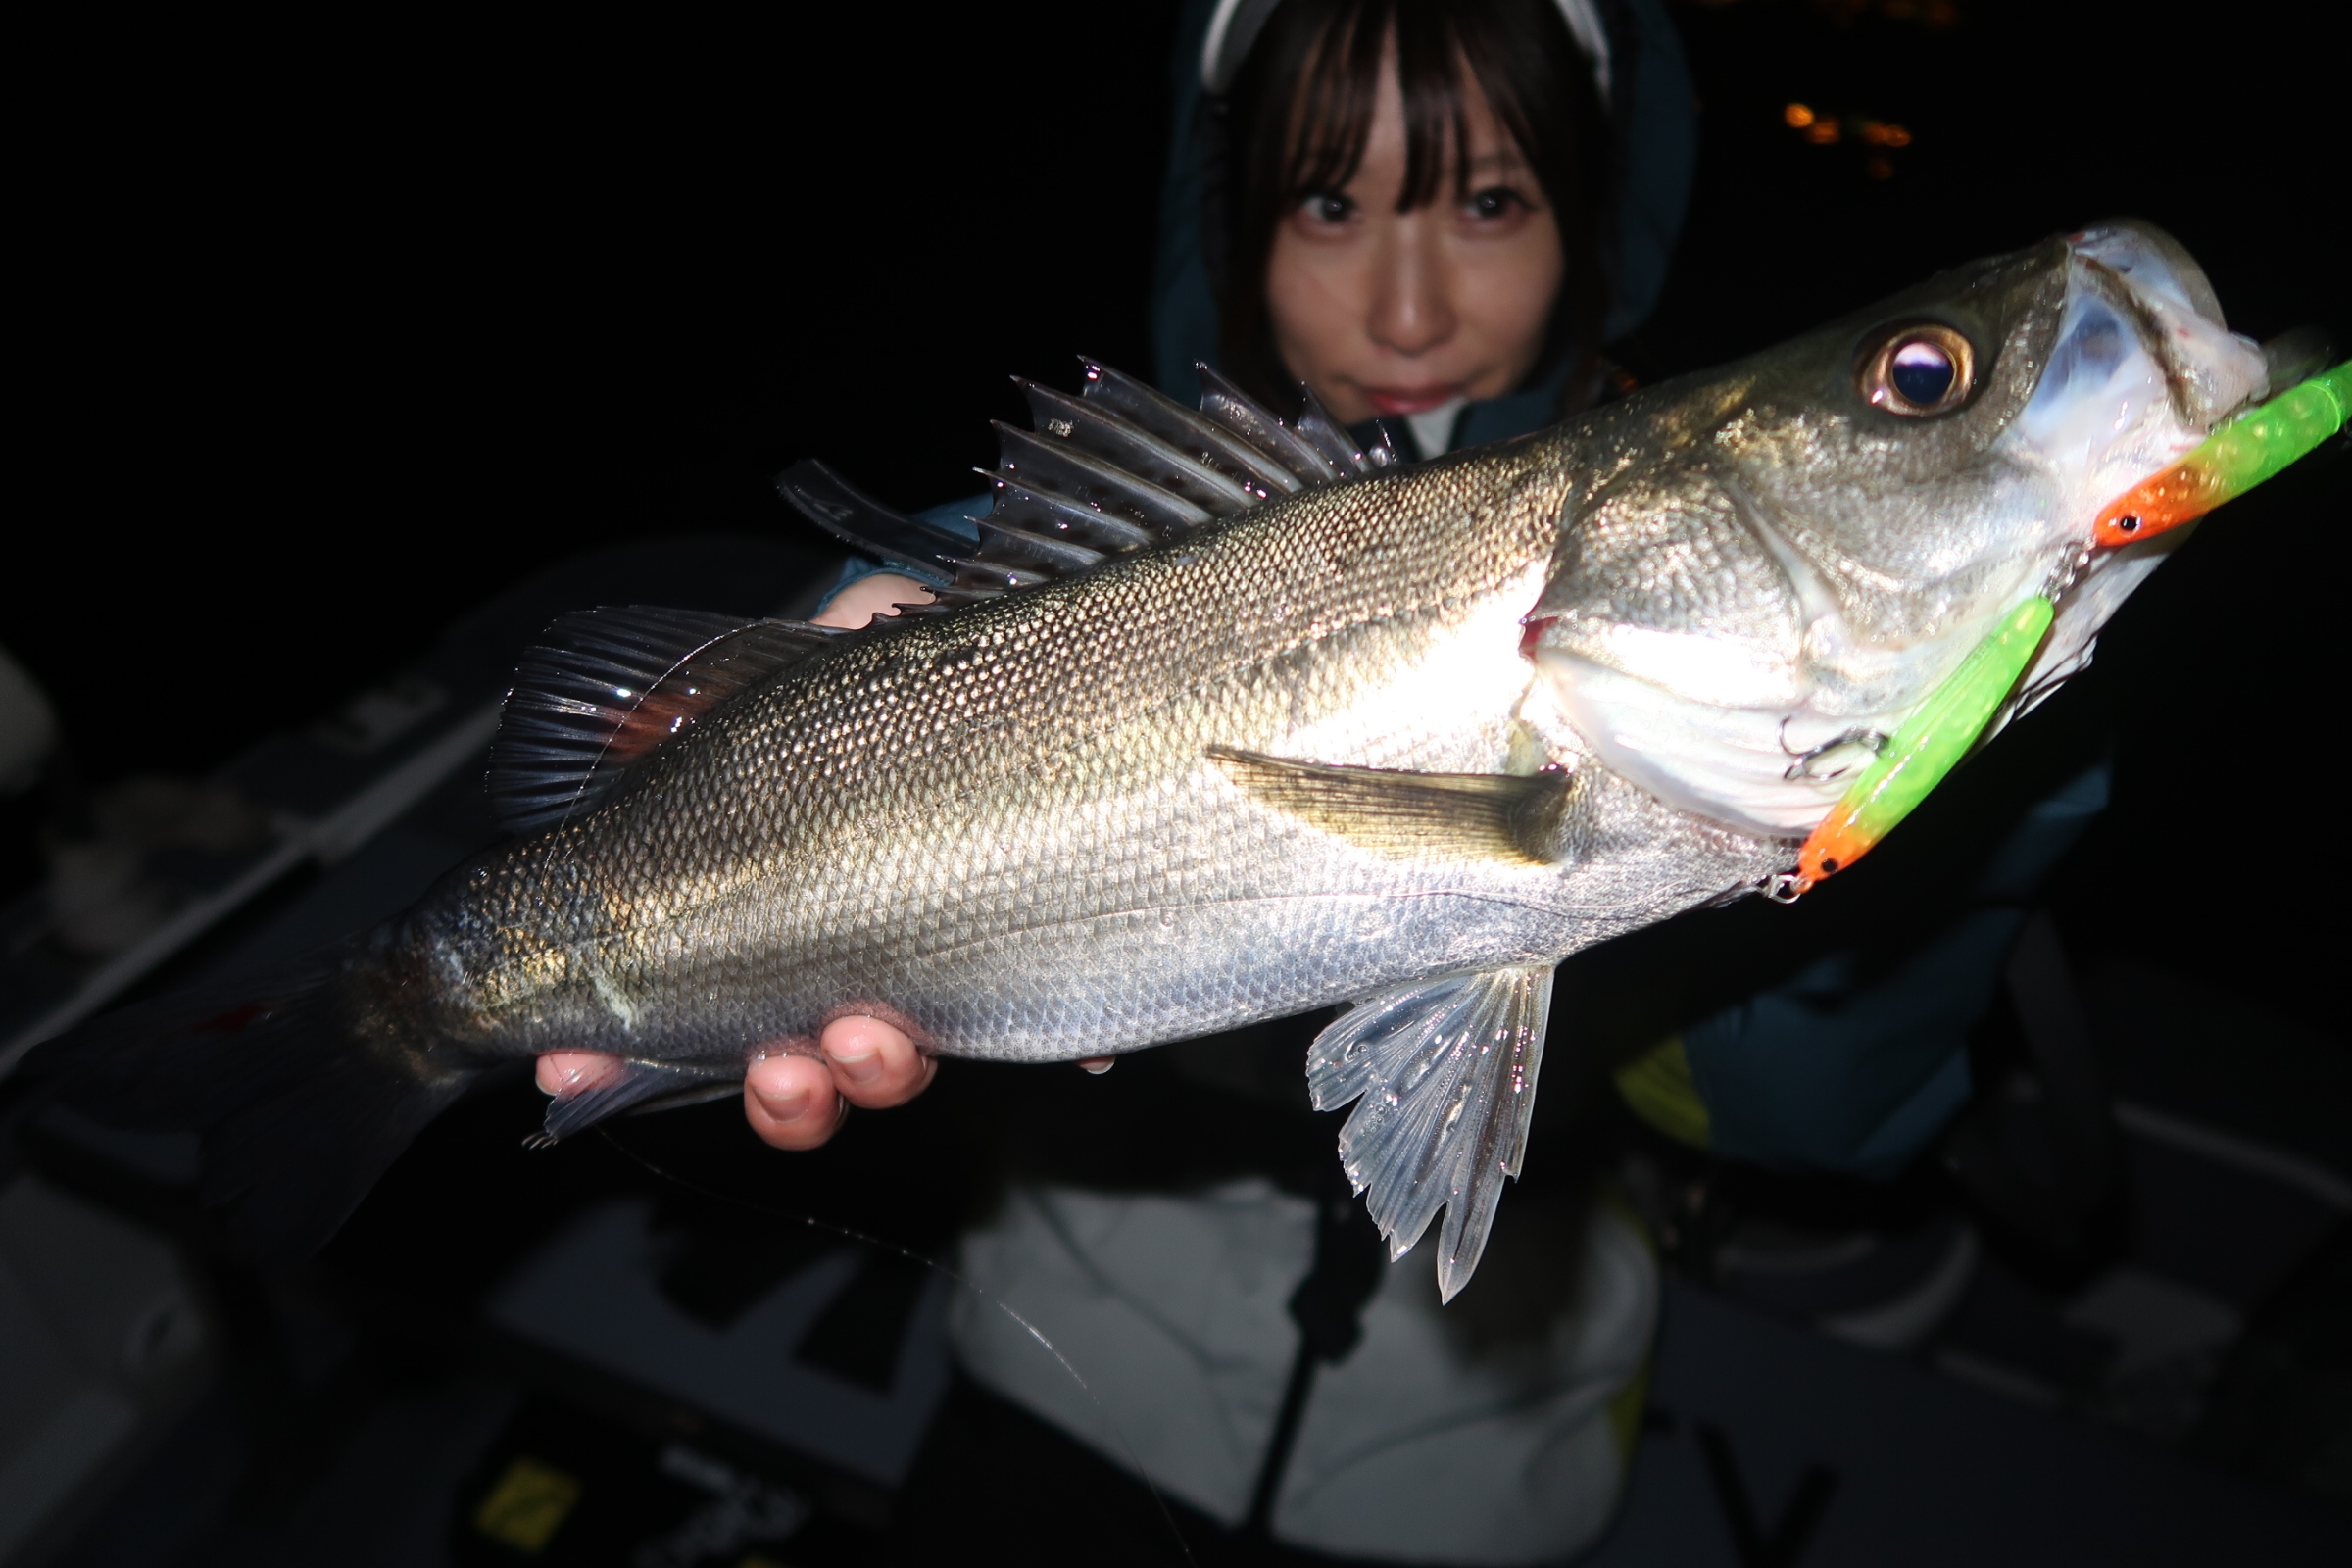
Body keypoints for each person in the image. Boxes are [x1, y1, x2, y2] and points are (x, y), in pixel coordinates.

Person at [541, 0, 2113, 1558]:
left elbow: (1815, 1116)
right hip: (1055, 1393)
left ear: (1594, 211)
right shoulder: (1103, 516)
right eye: (1328, 204)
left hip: (1476, 1479)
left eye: (1488, 202)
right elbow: (978, 586)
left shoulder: (1688, 581)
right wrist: (837, 659)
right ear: (1224, 216)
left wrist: (1974, 763)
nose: (1407, 306)